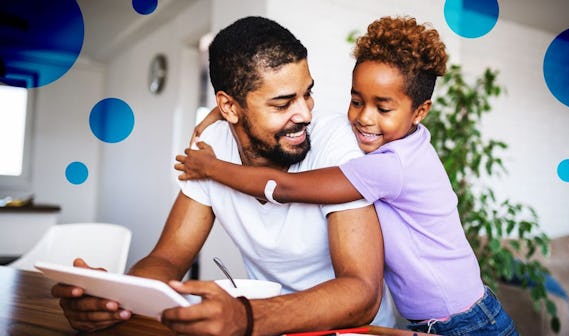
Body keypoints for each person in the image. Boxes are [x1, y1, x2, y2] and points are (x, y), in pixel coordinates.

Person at [51, 16, 395, 335]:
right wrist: (115, 300)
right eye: (282, 103)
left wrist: (246, 316)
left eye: (308, 93)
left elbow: (363, 292)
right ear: (228, 108)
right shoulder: (211, 147)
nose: (304, 113)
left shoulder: (335, 141)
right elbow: (168, 257)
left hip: (357, 332)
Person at [176, 16, 518, 335]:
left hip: (468, 322)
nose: (365, 119)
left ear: (420, 112)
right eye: (356, 101)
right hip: (435, 319)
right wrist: (215, 119)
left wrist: (212, 168)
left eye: (383, 108)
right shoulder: (397, 147)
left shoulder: (389, 166)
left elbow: (286, 187)